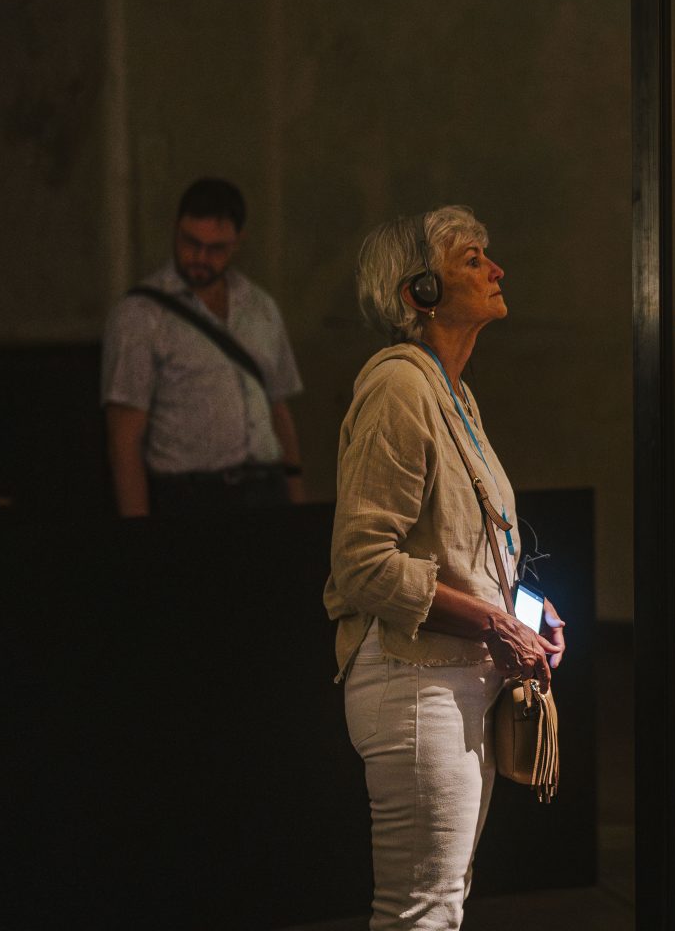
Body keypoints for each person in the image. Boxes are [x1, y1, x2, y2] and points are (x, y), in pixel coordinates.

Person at [326, 206, 565, 929]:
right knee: (421, 914)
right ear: (418, 293)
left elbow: (459, 546)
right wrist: (496, 621)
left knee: (440, 907)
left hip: (450, 683)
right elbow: (364, 562)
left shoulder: (453, 393)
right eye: (472, 260)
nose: (495, 271)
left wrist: (526, 606)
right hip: (413, 683)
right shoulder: (400, 386)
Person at [101, 178, 306, 518]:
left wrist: (297, 498)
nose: (199, 257)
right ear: (176, 231)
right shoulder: (140, 316)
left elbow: (278, 408)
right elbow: (124, 437)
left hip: (265, 488)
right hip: (191, 496)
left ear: (238, 242)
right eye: (190, 242)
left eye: (216, 248)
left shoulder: (259, 306)